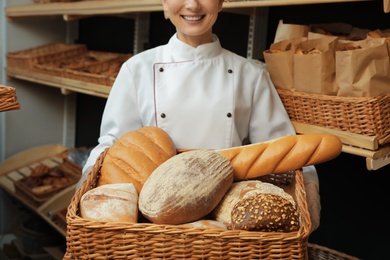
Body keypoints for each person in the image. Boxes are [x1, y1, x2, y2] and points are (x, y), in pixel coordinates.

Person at [76, 0, 320, 232]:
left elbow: (283, 150)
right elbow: (112, 145)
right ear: (164, 4)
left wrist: (309, 189)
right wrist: (82, 190)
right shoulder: (137, 69)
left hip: (225, 218)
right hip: (153, 220)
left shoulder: (251, 74)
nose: (192, 5)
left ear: (221, 3)